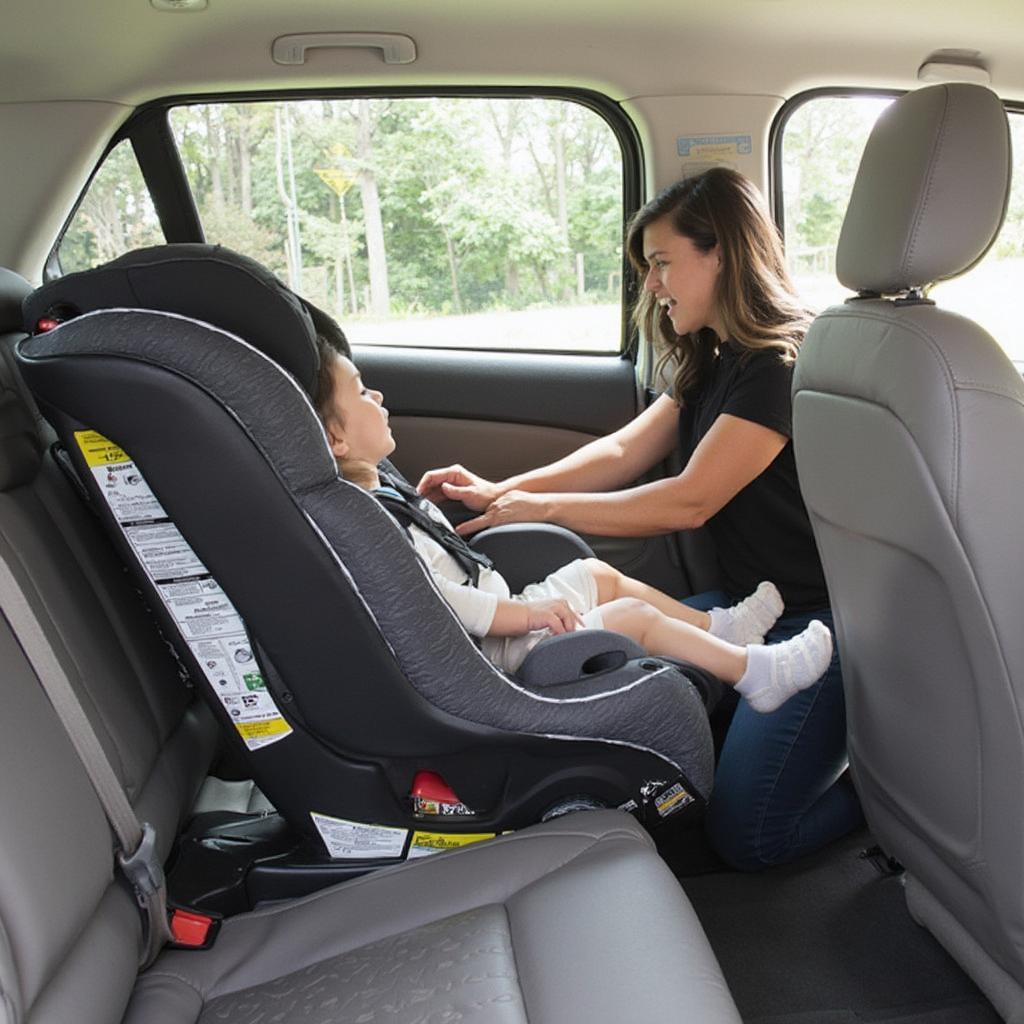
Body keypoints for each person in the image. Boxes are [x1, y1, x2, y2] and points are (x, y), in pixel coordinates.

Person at [416, 167, 864, 870]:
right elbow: (623, 451)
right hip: (753, 606)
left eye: (662, 264)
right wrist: (501, 488)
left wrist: (543, 506)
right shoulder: (712, 361)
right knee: (637, 686)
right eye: (647, 268)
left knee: (747, 837)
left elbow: (689, 499)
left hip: (818, 620)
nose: (651, 285)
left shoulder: (776, 365)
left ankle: (879, 793)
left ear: (722, 254)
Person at [314, 340, 833, 716]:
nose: (378, 396)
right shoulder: (369, 522)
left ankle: (725, 630)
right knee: (630, 614)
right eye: (362, 393)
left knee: (595, 573)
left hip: (506, 623)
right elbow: (440, 602)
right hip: (502, 653)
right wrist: (526, 614)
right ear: (336, 440)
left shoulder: (383, 495)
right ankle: (755, 672)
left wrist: (436, 513)